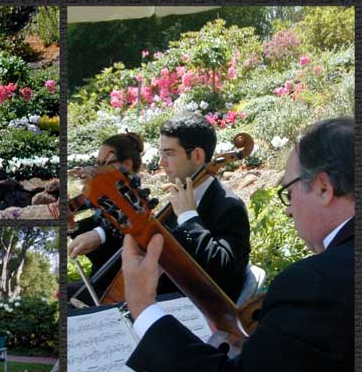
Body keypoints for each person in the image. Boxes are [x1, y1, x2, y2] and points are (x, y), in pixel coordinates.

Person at [123, 117, 354, 372]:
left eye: (288, 192)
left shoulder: (315, 282)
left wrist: (142, 306)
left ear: (324, 188)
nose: (288, 211)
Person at [68, 113, 250, 305]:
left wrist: (189, 218)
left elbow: (227, 274)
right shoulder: (179, 200)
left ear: (197, 155)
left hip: (186, 311)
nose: (161, 163)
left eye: (169, 153)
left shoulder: (229, 206)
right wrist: (98, 234)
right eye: (161, 153)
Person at [67, 131, 144, 304]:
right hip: (99, 279)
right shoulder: (102, 193)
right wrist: (70, 221)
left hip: (118, 287)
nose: (97, 169)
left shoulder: (136, 199)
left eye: (105, 163)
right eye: (97, 163)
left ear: (127, 164)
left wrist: (99, 233)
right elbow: (86, 224)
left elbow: (130, 230)